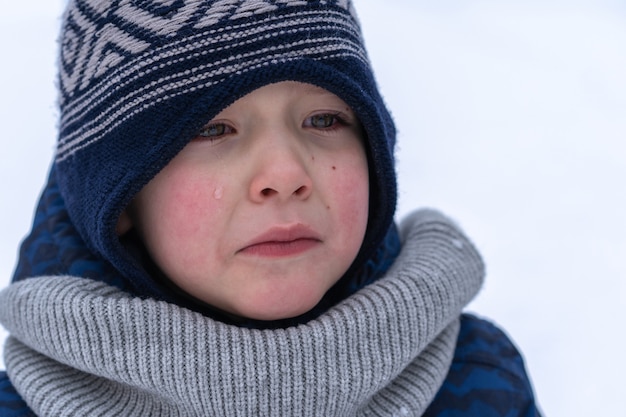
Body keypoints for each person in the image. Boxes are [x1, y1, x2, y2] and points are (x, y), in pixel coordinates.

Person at [0, 1, 541, 415]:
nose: (286, 175)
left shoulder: (480, 378)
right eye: (212, 128)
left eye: (324, 120)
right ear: (117, 199)